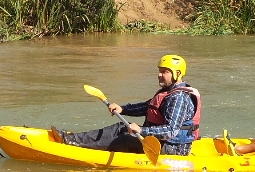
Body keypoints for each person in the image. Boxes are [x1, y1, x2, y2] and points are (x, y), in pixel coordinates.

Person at [52, 54, 201, 156]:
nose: (159, 75)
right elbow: (148, 107)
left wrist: (142, 130)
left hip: (174, 149)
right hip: (160, 142)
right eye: (159, 71)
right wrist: (123, 109)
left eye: (164, 72)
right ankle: (71, 139)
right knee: (120, 127)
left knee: (126, 139)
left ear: (177, 74)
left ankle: (77, 147)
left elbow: (171, 131)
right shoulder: (168, 91)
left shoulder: (179, 98)